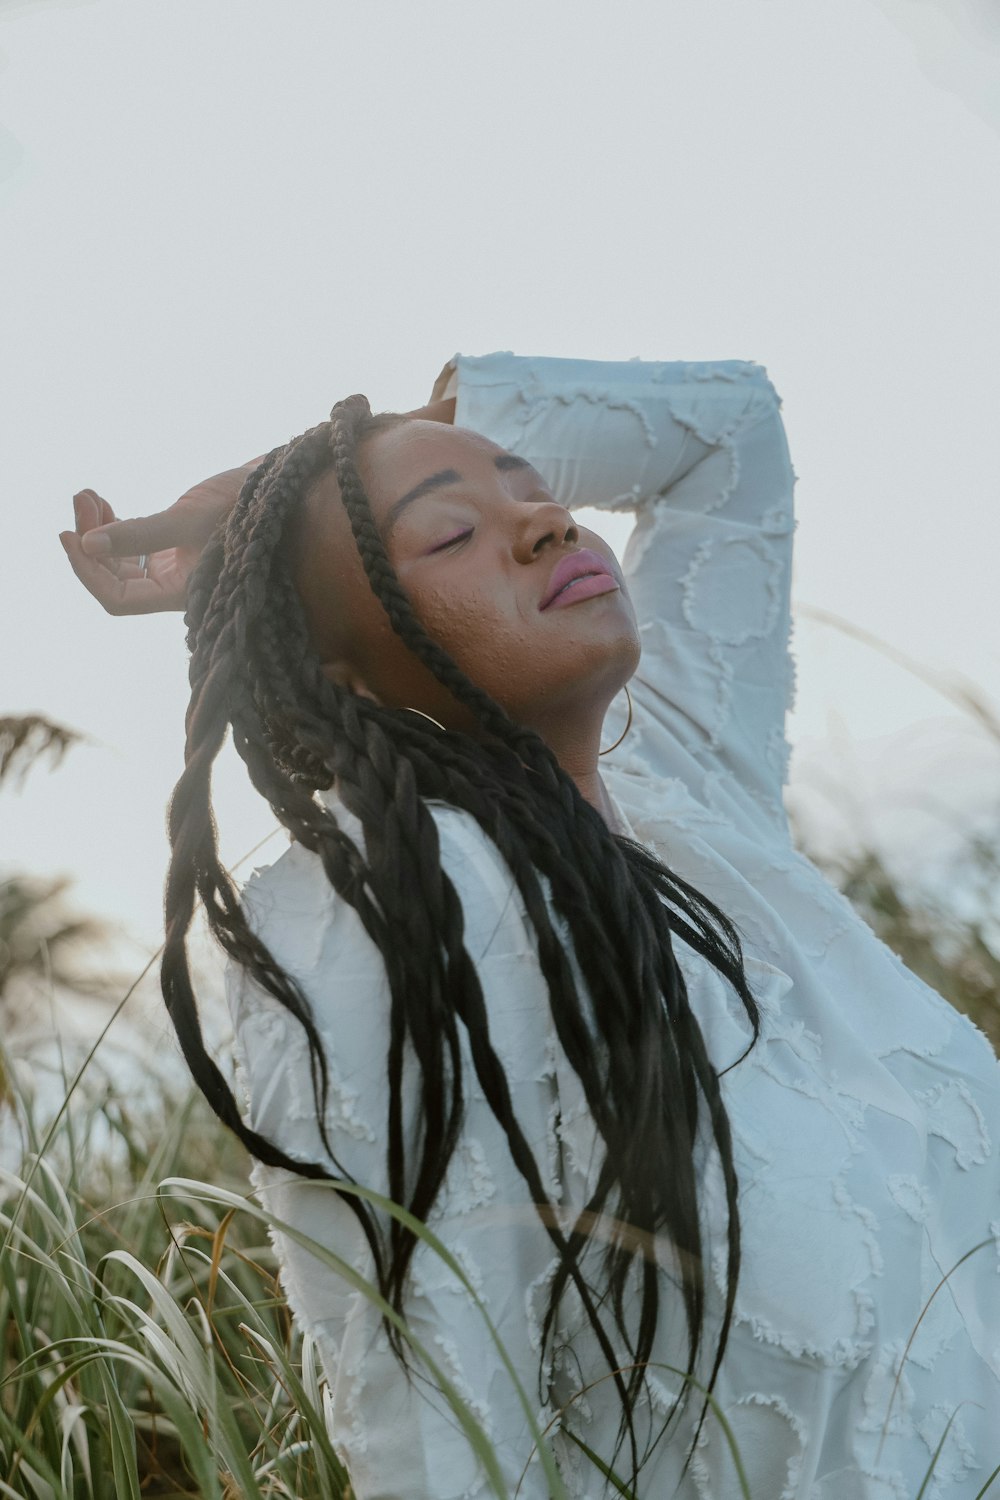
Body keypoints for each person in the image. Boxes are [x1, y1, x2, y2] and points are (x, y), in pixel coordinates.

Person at [62, 353, 1000, 1499]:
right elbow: (439, 1441)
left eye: (531, 488)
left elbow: (726, 436)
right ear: (343, 675)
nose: (546, 524)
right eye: (450, 536)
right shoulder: (398, 910)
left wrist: (286, 480)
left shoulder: (693, 807)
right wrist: (286, 520)